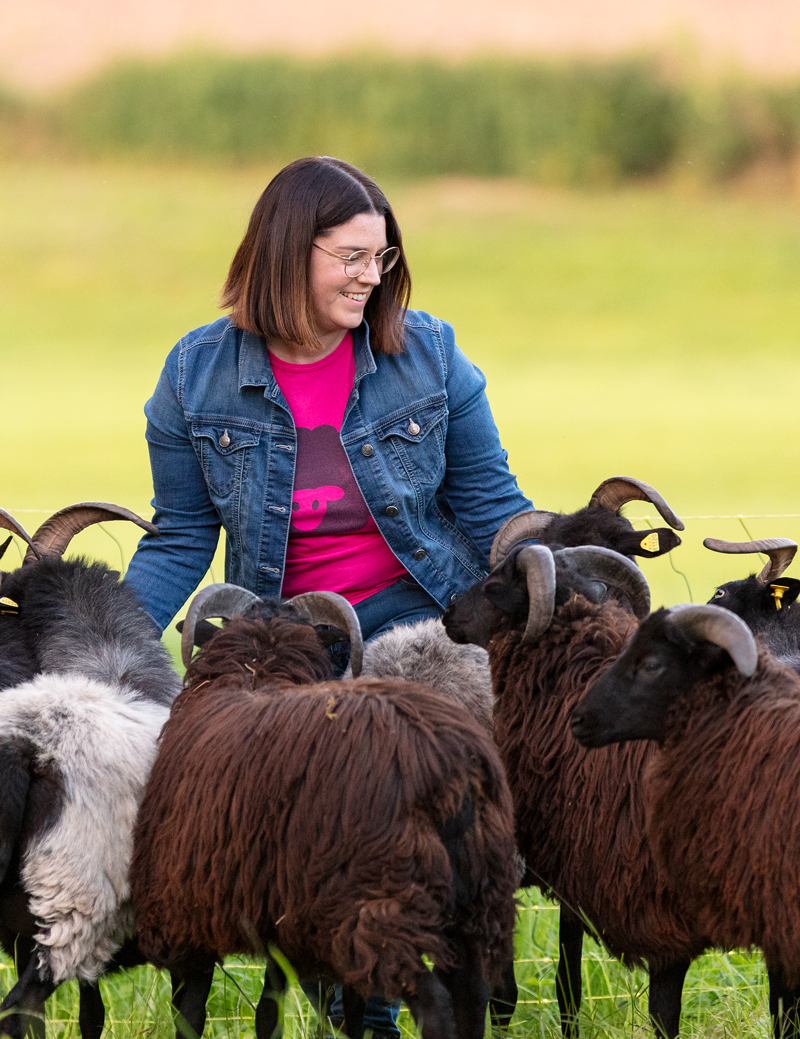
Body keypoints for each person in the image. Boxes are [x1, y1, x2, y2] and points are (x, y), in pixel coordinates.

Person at [124, 155, 531, 1037]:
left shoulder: (431, 353)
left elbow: (493, 505)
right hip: (287, 637)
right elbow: (181, 536)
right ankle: (363, 1008)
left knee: (414, 791)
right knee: (315, 815)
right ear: (285, 252)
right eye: (348, 256)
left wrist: (564, 565)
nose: (368, 276)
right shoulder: (196, 375)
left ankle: (430, 991)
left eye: (380, 257)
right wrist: (109, 643)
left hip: (424, 615)